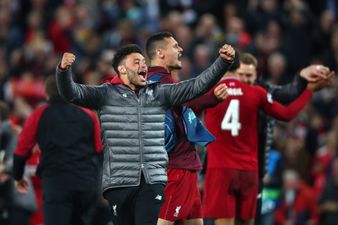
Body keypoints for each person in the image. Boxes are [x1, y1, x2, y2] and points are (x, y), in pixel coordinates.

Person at [56, 43, 235, 225]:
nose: (143, 66)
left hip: (153, 180)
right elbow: (71, 93)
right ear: (122, 70)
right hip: (120, 181)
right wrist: (63, 71)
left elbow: (196, 86)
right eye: (136, 62)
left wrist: (223, 62)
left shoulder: (158, 93)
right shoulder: (105, 94)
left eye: (143, 61)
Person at [202, 59, 332, 225]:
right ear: (237, 72)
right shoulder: (257, 93)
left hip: (220, 169)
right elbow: (287, 114)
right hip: (249, 170)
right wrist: (308, 90)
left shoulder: (210, 92)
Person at [145, 32, 227, 225]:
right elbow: (192, 92)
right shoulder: (159, 83)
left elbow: (183, 105)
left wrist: (211, 98)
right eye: (175, 46)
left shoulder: (160, 82)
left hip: (183, 164)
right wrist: (222, 65)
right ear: (160, 52)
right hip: (175, 166)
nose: (180, 49)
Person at [13, 75, 103, 225]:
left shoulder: (39, 114)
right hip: (86, 184)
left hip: (56, 182)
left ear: (46, 93)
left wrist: (18, 176)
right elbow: (100, 150)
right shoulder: (88, 115)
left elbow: (22, 148)